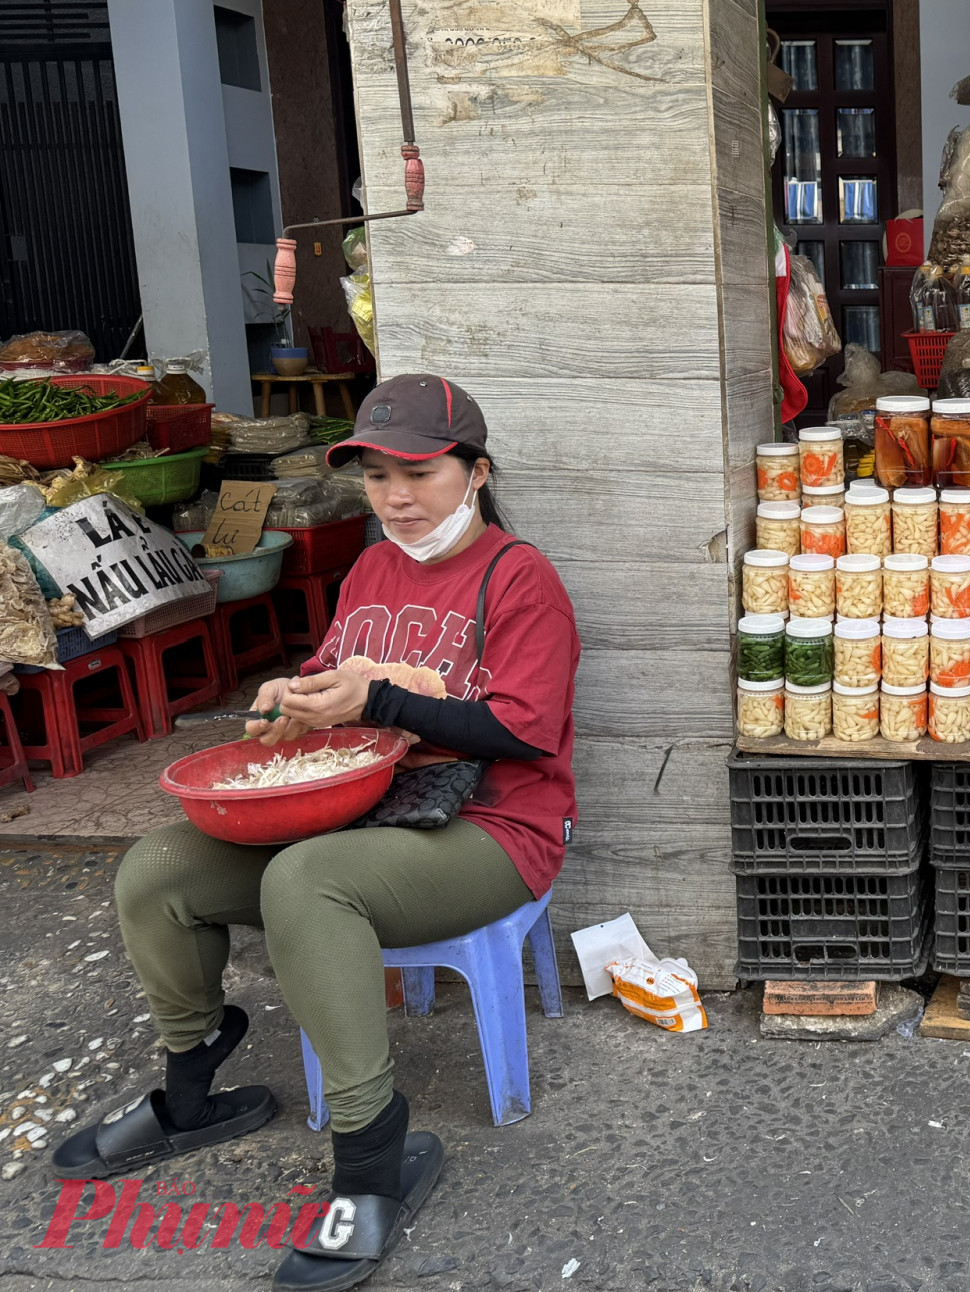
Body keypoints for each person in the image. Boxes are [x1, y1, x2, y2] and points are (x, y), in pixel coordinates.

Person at [53, 375, 580, 1291]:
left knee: (304, 884)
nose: (396, 498)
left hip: (493, 829)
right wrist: (292, 702)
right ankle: (192, 1086)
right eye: (376, 477)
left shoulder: (519, 577)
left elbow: (524, 730)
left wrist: (382, 698)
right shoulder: (370, 571)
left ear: (477, 473)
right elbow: (334, 679)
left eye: (419, 472)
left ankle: (373, 1157)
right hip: (364, 810)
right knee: (158, 870)